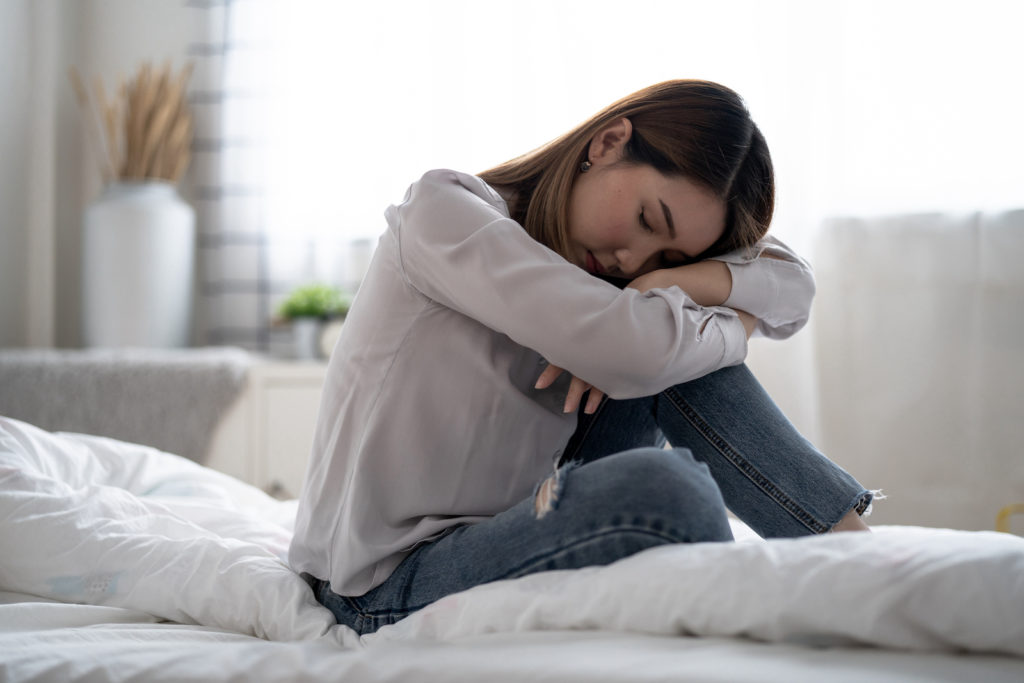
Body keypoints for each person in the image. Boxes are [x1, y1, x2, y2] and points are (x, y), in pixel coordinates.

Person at [289, 79, 873, 636]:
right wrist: (729, 321)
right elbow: (635, 348)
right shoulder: (444, 213)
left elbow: (793, 285)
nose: (633, 260)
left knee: (677, 355)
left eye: (667, 255)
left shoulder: (617, 288)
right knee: (670, 482)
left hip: (518, 518)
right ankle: (834, 568)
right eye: (647, 220)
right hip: (378, 585)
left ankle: (852, 555)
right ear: (609, 141)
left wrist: (681, 283)